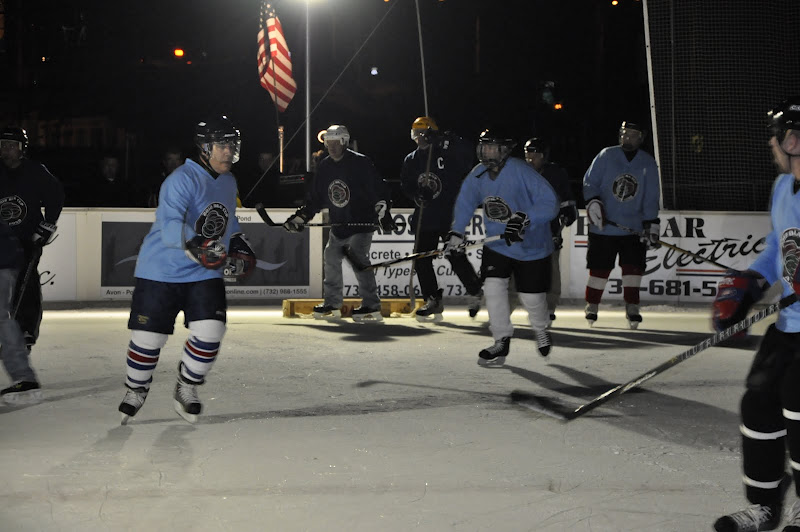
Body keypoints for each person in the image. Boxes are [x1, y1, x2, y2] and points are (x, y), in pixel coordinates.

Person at [117, 116, 257, 424]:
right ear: (205, 148)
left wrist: (237, 241)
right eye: (222, 145)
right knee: (149, 339)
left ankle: (187, 385)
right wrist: (196, 243)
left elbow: (227, 220)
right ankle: (136, 388)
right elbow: (169, 226)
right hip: (161, 271)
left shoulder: (228, 181)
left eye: (232, 145)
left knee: (211, 331)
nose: (228, 152)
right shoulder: (181, 179)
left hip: (204, 271)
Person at [712, 98, 800, 532]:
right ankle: (765, 505)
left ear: (793, 140)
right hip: (790, 325)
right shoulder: (783, 187)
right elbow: (777, 246)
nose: (771, 144)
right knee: (759, 404)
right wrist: (748, 283)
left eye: (776, 136)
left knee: (799, 409)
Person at [447, 129, 558, 365]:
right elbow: (465, 202)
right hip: (497, 244)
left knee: (531, 298)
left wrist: (525, 218)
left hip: (532, 246)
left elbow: (550, 202)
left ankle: (540, 328)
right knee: (493, 289)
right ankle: (501, 340)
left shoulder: (521, 171)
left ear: (505, 150)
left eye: (492, 147)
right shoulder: (478, 174)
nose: (486, 152)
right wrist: (457, 231)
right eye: (483, 146)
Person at [282, 124, 395, 322]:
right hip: (340, 225)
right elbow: (316, 198)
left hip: (360, 224)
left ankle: (372, 306)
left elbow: (377, 189)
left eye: (335, 142)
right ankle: (332, 303)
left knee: (358, 259)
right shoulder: (325, 166)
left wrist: (383, 211)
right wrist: (301, 217)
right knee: (331, 257)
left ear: (344, 142)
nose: (331, 147)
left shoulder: (360, 163)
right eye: (328, 143)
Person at [400, 116, 482, 320]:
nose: (419, 138)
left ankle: (474, 291)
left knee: (455, 255)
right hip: (426, 216)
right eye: (415, 134)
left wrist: (448, 139)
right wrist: (416, 193)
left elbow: (467, 156)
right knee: (421, 259)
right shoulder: (412, 159)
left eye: (423, 133)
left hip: (448, 215)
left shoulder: (446, 153)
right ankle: (432, 299)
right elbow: (406, 184)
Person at [582, 121, 660, 329]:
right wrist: (593, 201)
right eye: (624, 134)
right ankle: (592, 304)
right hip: (604, 227)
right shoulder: (606, 155)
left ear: (640, 138)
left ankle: (632, 307)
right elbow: (590, 182)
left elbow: (651, 196)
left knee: (633, 270)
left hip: (633, 229)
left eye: (632, 135)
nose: (627, 138)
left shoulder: (647, 162)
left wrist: (651, 223)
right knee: (599, 269)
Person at [0, 126, 64, 352]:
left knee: (26, 284)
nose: (6, 150)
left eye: (12, 146)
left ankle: (25, 330)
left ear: (22, 149)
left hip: (27, 238)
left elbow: (56, 196)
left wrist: (46, 227)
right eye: (3, 145)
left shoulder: (35, 172)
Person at [523, 137, 577, 321]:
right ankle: (507, 307)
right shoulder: (519, 173)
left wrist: (569, 210)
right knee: (517, 272)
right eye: (528, 154)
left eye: (535, 155)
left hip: (549, 230)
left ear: (544, 156)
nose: (530, 159)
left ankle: (549, 306)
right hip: (525, 230)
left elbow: (566, 197)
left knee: (550, 269)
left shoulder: (556, 173)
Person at [0, 219, 42, 404]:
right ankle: (23, 377)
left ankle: (23, 377)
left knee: (1, 319)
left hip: (3, 257)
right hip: (7, 255)